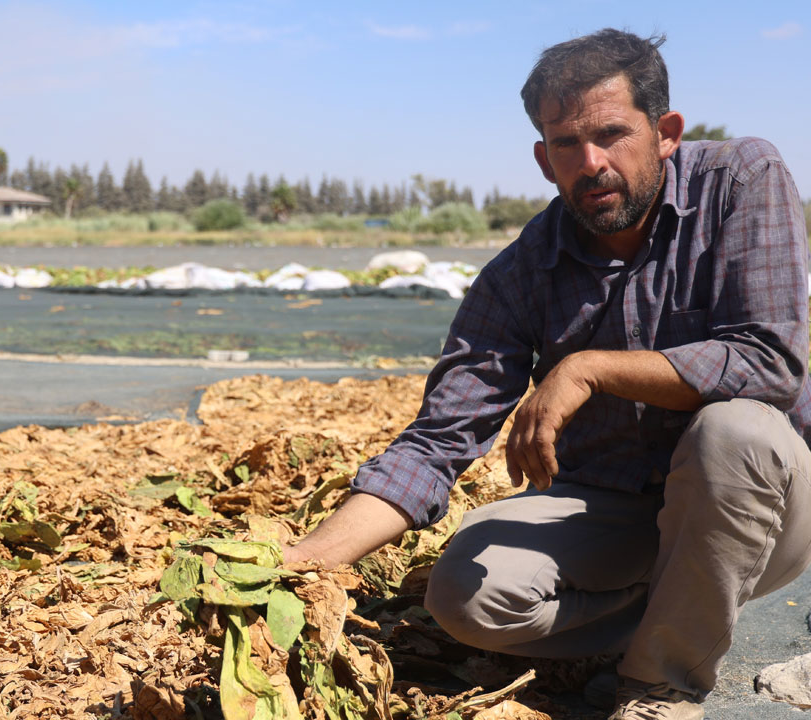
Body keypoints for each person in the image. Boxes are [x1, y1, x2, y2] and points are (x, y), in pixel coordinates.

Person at [284, 28, 811, 720]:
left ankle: (660, 685)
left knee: (735, 429)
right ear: (543, 159)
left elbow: (769, 362)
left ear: (666, 133)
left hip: (764, 507)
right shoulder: (523, 272)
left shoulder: (741, 180)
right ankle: (662, 620)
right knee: (465, 595)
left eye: (612, 135)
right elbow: (436, 442)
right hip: (617, 509)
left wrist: (589, 369)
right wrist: (303, 563)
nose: (591, 163)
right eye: (566, 144)